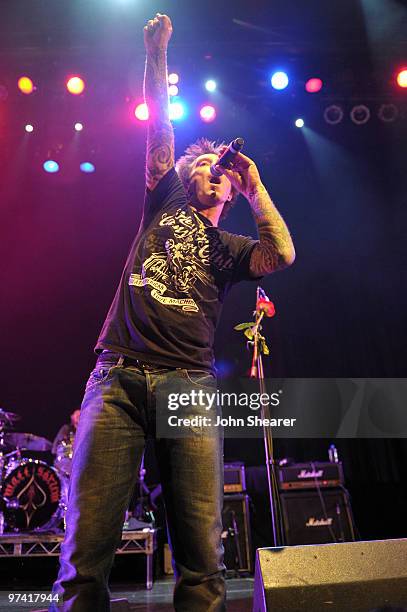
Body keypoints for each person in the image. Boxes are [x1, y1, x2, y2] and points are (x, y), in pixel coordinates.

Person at [51, 13, 295, 612]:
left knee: (203, 563)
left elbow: (282, 253)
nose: (218, 173)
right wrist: (156, 54)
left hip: (188, 385)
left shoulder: (233, 249)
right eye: (208, 167)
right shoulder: (164, 197)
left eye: (226, 175)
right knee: (84, 559)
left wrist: (255, 185)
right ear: (188, 176)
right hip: (118, 378)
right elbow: (159, 123)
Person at [52, 409, 81, 477]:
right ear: (72, 417)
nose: (79, 416)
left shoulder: (85, 432)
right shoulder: (66, 428)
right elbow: (56, 446)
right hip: (65, 463)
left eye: (80, 415)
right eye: (76, 414)